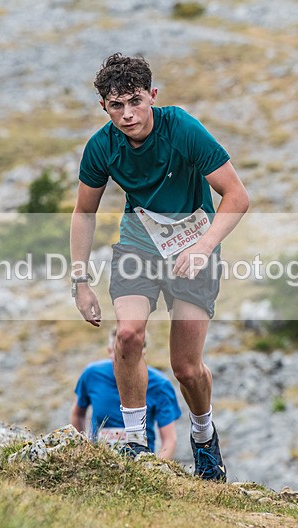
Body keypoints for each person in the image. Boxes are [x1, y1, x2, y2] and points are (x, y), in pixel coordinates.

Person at [70, 53, 249, 481]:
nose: (128, 115)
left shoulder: (182, 129)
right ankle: (135, 444)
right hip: (140, 243)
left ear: (152, 96)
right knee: (128, 335)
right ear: (104, 107)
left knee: (186, 368)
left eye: (135, 101)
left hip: (194, 245)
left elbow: (237, 196)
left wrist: (205, 247)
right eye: (116, 106)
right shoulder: (101, 146)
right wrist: (80, 280)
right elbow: (83, 212)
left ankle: (204, 439)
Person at [70, 327, 181, 459]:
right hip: (98, 462)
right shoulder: (92, 374)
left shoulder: (160, 385)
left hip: (140, 464)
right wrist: (82, 450)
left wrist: (155, 468)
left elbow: (169, 440)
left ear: (143, 353)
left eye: (132, 352)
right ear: (110, 351)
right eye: (120, 353)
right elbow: (77, 414)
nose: (125, 359)